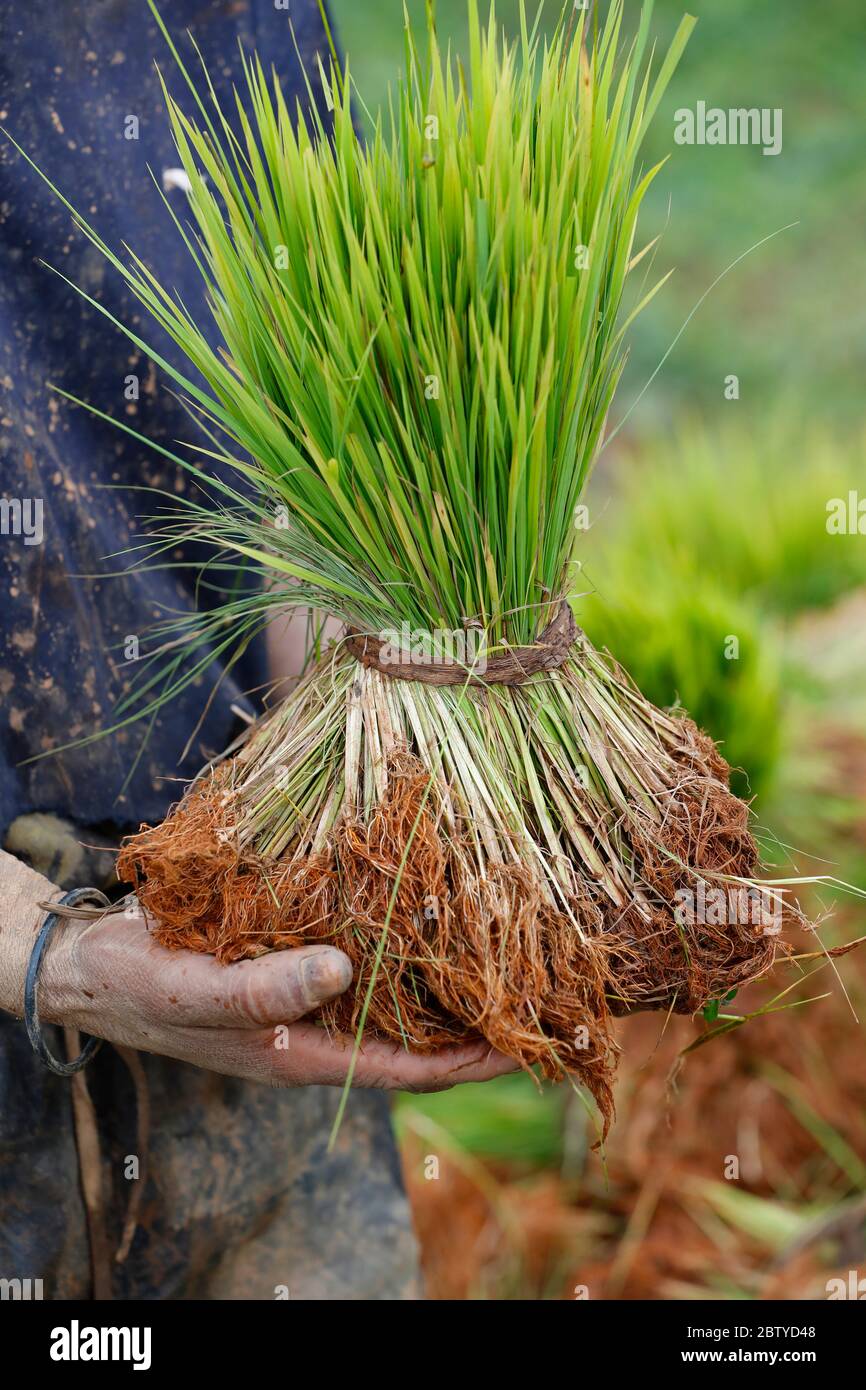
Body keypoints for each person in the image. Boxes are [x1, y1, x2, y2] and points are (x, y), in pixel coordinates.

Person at [0, 0, 509, 1300]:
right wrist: (52, 950)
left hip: (229, 959)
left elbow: (284, 450)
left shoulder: (256, 17)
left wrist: (376, 757)